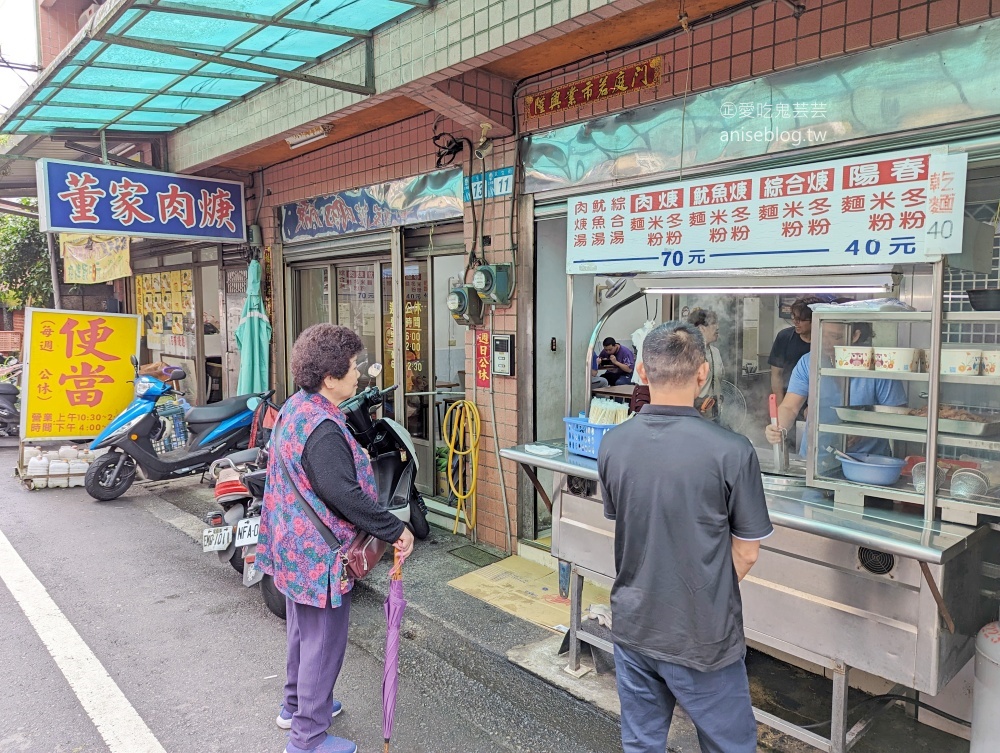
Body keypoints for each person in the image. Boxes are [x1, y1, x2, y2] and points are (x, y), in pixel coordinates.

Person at [598, 321, 773, 753]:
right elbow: (747, 553)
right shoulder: (733, 450)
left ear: (640, 369)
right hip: (702, 635)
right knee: (729, 746)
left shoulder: (613, 444)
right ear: (702, 373)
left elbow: (629, 520)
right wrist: (705, 594)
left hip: (635, 624)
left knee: (641, 743)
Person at [255, 323, 415, 753]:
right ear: (330, 378)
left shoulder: (297, 406)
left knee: (302, 635)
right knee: (324, 644)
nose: (359, 374)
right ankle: (307, 738)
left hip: (290, 544)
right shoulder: (324, 429)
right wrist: (395, 528)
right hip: (319, 557)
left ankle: (298, 705)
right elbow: (341, 492)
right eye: (353, 367)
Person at [765, 322, 906, 460]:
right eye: (821, 334)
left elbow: (897, 413)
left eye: (834, 336)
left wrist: (865, 431)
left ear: (855, 335)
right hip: (817, 459)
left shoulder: (878, 365)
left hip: (868, 461)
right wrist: (778, 427)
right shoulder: (809, 362)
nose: (825, 342)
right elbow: (790, 407)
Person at [768, 296, 822, 406]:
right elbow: (776, 375)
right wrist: (780, 406)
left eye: (801, 320)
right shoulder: (784, 337)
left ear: (815, 319)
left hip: (817, 402)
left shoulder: (824, 340)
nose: (796, 322)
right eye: (793, 317)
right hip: (789, 399)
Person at [687, 308, 724, 421]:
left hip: (715, 413)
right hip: (695, 415)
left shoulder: (716, 352)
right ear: (701, 328)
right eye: (713, 323)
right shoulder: (688, 353)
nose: (717, 327)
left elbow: (720, 380)